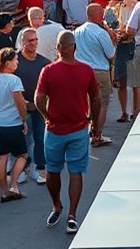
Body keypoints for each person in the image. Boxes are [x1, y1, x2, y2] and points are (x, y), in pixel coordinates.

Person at [35, 31, 101, 235]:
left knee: (52, 171)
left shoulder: (48, 71)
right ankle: (72, 215)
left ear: (58, 48)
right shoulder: (86, 70)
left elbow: (38, 98)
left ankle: (56, 205)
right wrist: (94, 123)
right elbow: (96, 99)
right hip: (79, 128)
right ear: (74, 47)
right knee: (76, 172)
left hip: (55, 129)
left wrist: (47, 115)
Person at [0, 48, 29, 202]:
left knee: (1, 158)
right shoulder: (14, 80)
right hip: (12, 123)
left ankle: (4, 192)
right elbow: (20, 104)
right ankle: (14, 185)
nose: (17, 62)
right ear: (8, 63)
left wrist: (0, 103)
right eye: (16, 60)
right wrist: (24, 119)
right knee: (22, 155)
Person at [73, 3, 116, 147]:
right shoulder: (100, 33)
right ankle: (97, 135)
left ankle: (85, 130)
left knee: (85, 102)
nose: (103, 14)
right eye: (101, 12)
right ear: (97, 14)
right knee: (102, 103)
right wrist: (114, 41)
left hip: (80, 71)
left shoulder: (77, 31)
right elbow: (111, 55)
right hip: (99, 71)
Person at [16, 27, 51, 185]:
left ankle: (40, 168)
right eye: (30, 40)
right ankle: (23, 168)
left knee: (39, 138)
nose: (34, 43)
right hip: (20, 108)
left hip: (39, 108)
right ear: (22, 42)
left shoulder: (44, 62)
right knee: (23, 140)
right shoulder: (15, 61)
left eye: (36, 40)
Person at [107, 0, 140, 122]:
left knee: (136, 82)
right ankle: (124, 112)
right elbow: (112, 26)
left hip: (134, 44)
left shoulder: (139, 8)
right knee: (122, 81)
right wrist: (116, 33)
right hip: (122, 45)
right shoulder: (117, 8)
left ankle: (134, 110)